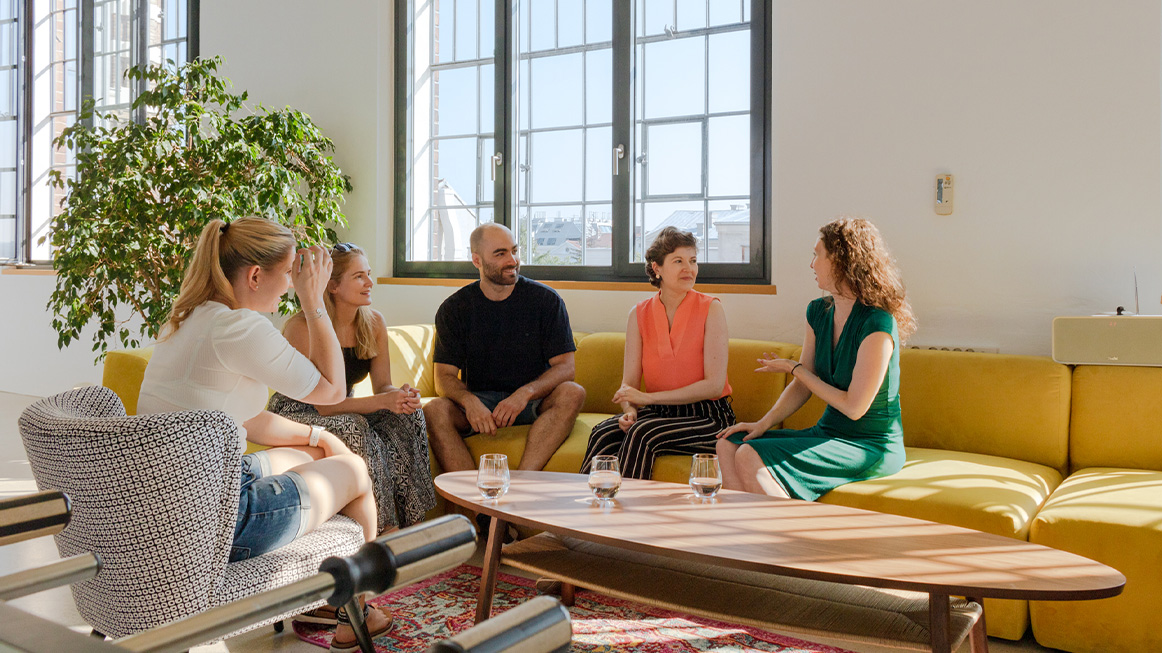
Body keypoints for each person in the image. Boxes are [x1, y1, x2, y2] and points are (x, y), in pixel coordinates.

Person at [136, 217, 391, 650]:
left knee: (320, 455)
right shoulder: (240, 328)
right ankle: (357, 610)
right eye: (290, 274)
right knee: (355, 470)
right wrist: (314, 303)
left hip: (171, 508)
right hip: (213, 524)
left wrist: (316, 436)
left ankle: (326, 600)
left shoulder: (190, 319)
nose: (292, 286)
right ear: (255, 275)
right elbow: (330, 391)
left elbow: (248, 418)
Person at [716, 217, 916, 500]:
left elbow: (854, 407)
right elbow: (802, 384)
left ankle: (786, 540)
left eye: (817, 254)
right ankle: (750, 534)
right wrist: (764, 422)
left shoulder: (877, 324)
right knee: (729, 444)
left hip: (870, 445)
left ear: (843, 261)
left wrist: (796, 369)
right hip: (827, 433)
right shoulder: (818, 312)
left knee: (748, 455)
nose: (812, 264)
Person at [268, 243, 436, 535]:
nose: (370, 283)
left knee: (408, 417)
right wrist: (384, 400)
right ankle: (384, 528)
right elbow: (324, 406)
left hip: (342, 404)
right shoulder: (301, 328)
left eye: (369, 274)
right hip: (298, 410)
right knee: (355, 426)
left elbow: (382, 385)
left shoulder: (374, 323)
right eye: (360, 276)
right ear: (332, 285)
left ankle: (415, 523)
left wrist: (400, 397)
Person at [423, 223, 586, 475]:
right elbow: (442, 377)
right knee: (434, 410)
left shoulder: (546, 301)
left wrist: (525, 393)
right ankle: (476, 507)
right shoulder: (454, 309)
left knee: (572, 393)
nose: (513, 260)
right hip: (479, 403)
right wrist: (469, 401)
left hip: (533, 401)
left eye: (514, 250)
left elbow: (566, 368)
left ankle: (520, 486)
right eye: (500, 254)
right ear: (476, 260)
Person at [580, 227, 734, 479]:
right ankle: (582, 511)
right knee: (602, 432)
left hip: (708, 417)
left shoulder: (711, 308)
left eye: (693, 261)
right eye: (678, 261)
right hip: (657, 414)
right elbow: (628, 385)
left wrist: (648, 400)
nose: (689, 268)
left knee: (643, 434)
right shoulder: (638, 314)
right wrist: (629, 410)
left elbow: (715, 386)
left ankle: (628, 514)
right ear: (657, 268)